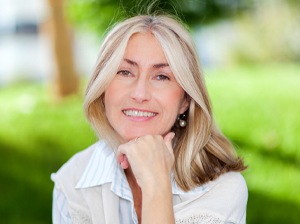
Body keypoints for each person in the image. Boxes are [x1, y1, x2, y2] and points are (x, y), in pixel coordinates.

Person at [51, 14, 248, 224]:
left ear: (185, 100)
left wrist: (156, 185)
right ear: (103, 89)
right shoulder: (73, 179)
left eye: (161, 76)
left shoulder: (221, 189)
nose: (140, 93)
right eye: (125, 72)